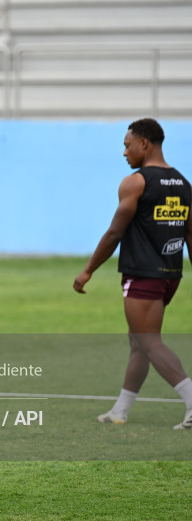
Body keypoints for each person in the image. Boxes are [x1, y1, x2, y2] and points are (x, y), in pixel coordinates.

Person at [74, 118, 192, 430]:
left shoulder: (135, 182)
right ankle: (120, 411)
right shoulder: (183, 183)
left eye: (127, 146)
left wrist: (87, 271)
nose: (124, 152)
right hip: (170, 275)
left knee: (148, 342)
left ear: (144, 143)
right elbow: (190, 236)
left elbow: (115, 233)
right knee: (139, 342)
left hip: (143, 275)